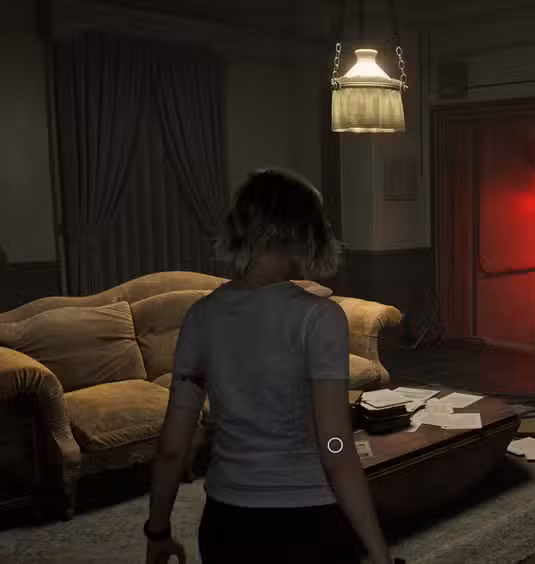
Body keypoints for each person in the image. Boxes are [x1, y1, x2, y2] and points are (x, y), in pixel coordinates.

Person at [144, 169, 392, 564]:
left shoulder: (200, 317)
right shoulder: (319, 317)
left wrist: (157, 531)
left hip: (227, 524)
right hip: (307, 523)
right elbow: (335, 446)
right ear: (299, 232)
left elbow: (174, 447)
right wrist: (379, 553)